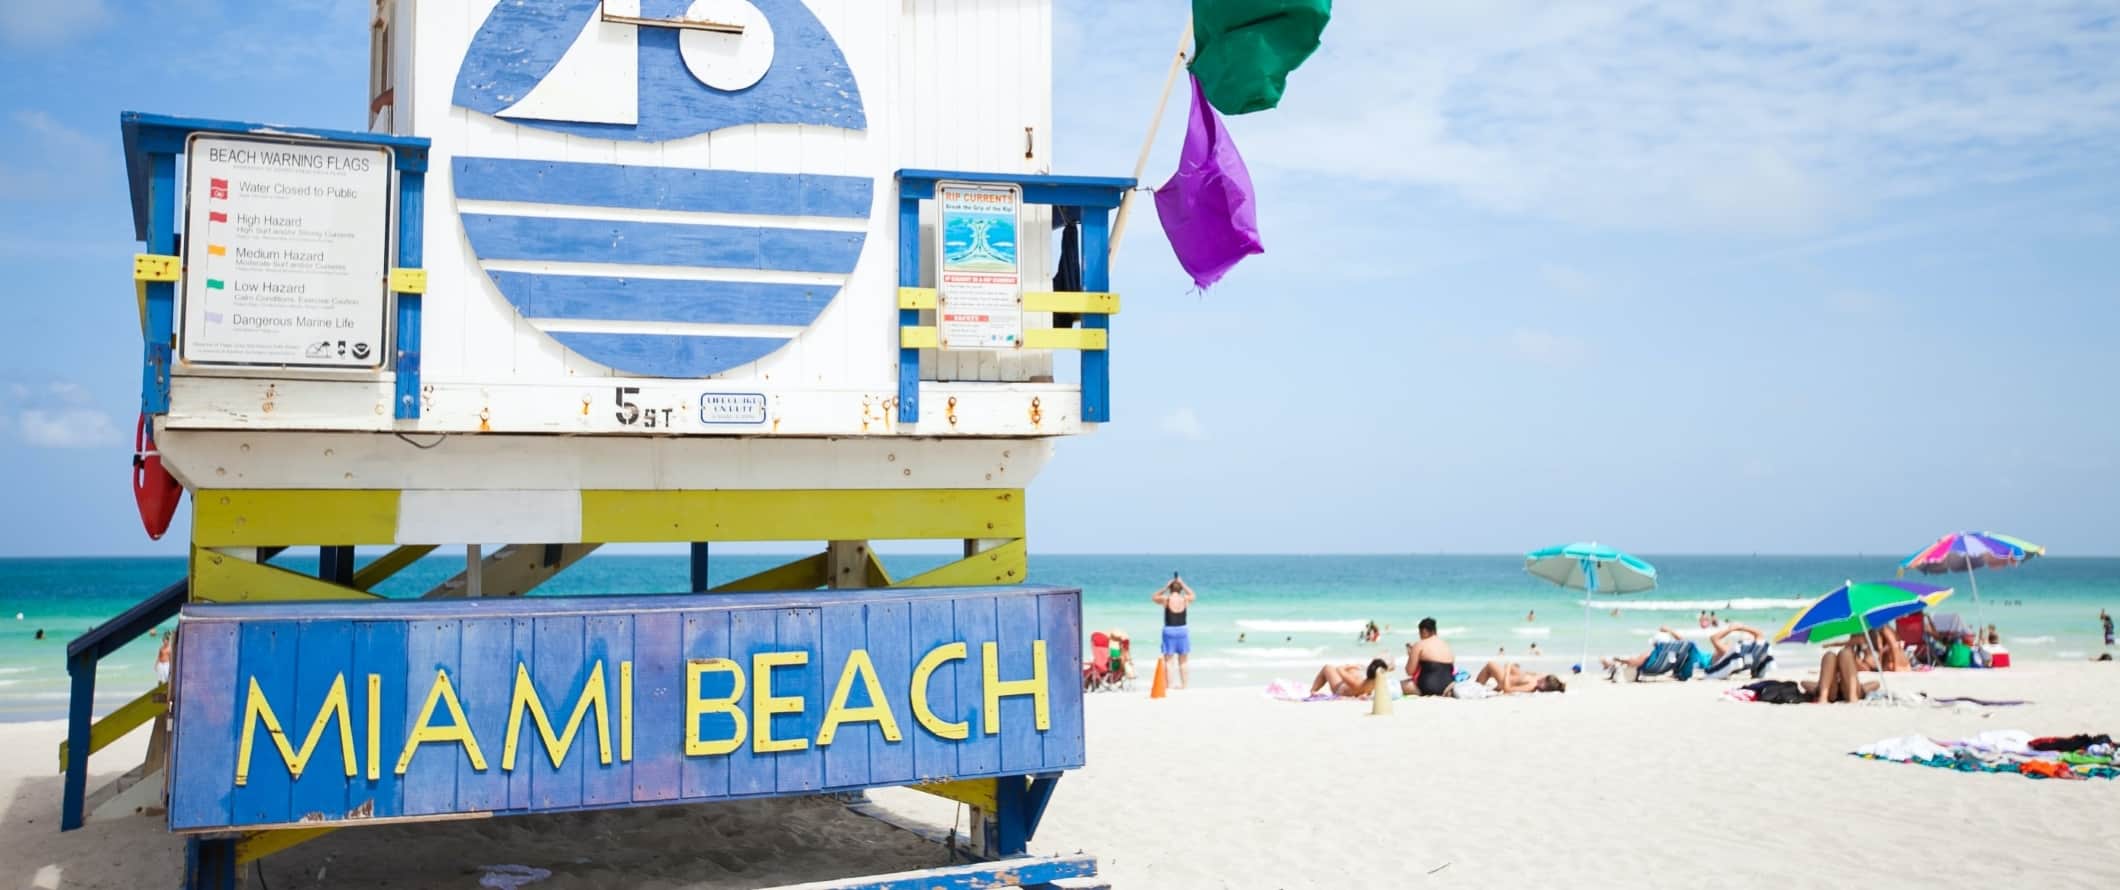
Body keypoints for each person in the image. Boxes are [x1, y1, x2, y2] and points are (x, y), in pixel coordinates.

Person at [1801, 638, 1879, 703]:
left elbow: (1803, 683)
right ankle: (1852, 697)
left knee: (1831, 655)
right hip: (1851, 691)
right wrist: (1861, 688)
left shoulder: (1829, 683)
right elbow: (1876, 684)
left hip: (1831, 693)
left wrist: (1819, 687)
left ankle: (1823, 697)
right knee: (1843, 653)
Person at [1152, 575, 1196, 690]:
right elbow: (1193, 595)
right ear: (1180, 589)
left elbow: (1154, 597)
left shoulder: (1166, 600)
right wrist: (1183, 583)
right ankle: (1184, 685)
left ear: (1170, 589)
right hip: (1182, 630)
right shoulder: (1185, 599)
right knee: (1183, 660)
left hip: (1169, 631)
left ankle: (1170, 685)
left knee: (1169, 660)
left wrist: (1165, 587)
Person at [1401, 618, 1456, 697]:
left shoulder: (1419, 645)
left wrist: (1411, 655)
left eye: (1419, 633)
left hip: (1427, 688)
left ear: (1424, 631)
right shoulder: (1446, 645)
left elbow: (1409, 671)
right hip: (1447, 687)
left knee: (1400, 685)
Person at [1309, 658, 1392, 698]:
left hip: (1339, 689)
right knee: (1354, 671)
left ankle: (1313, 690)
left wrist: (1350, 665)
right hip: (1353, 688)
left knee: (1327, 668)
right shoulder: (1376, 681)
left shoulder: (1357, 683)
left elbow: (1339, 669)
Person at [1474, 659, 1565, 694]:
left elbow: (1508, 690)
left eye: (1544, 680)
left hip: (1505, 681)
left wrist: (1508, 670)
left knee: (1491, 665)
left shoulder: (1532, 686)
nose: (1542, 678)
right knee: (1491, 669)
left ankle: (1475, 687)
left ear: (1544, 686)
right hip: (1507, 678)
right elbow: (1522, 676)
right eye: (1544, 677)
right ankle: (1477, 686)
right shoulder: (1536, 680)